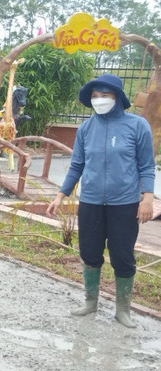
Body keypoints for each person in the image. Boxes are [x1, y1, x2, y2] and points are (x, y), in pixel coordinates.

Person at [46, 74, 155, 328]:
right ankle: (90, 302)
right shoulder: (86, 128)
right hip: (92, 202)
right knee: (90, 252)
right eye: (95, 96)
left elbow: (147, 166)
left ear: (117, 97)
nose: (99, 100)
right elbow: (77, 165)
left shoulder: (137, 126)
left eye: (105, 95)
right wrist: (60, 195)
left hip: (125, 203)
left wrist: (147, 198)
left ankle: (123, 310)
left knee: (123, 256)